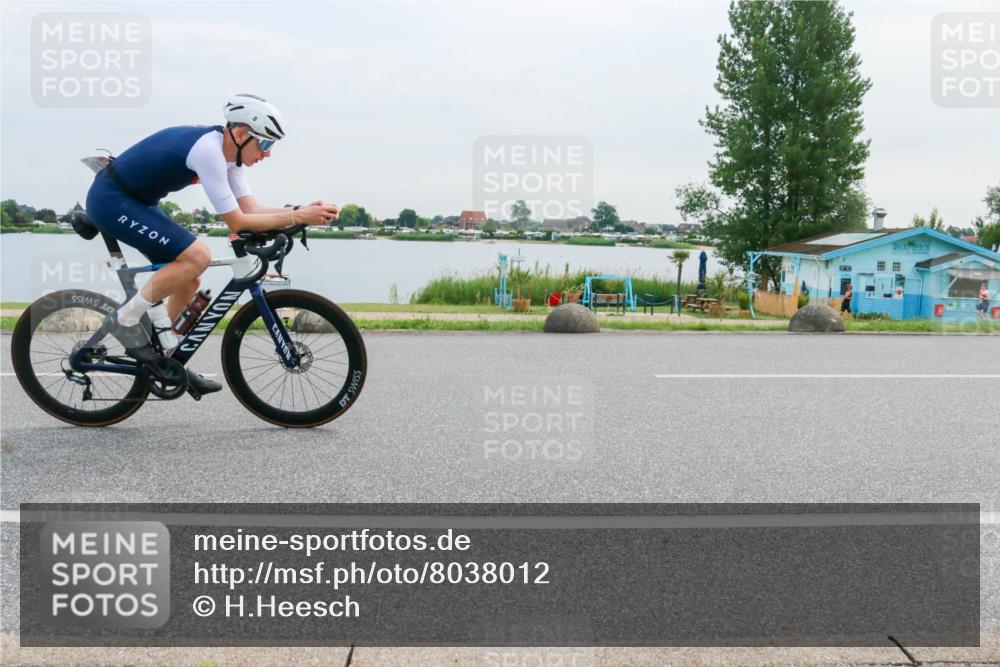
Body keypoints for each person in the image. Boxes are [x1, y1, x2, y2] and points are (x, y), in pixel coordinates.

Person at [85, 94, 339, 395]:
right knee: (198, 256)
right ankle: (125, 320)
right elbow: (238, 222)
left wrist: (301, 213)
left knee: (190, 276)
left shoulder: (232, 159)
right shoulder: (208, 151)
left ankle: (166, 357)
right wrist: (299, 215)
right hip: (111, 200)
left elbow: (251, 210)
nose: (268, 154)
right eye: (266, 144)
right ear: (242, 134)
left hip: (138, 201)